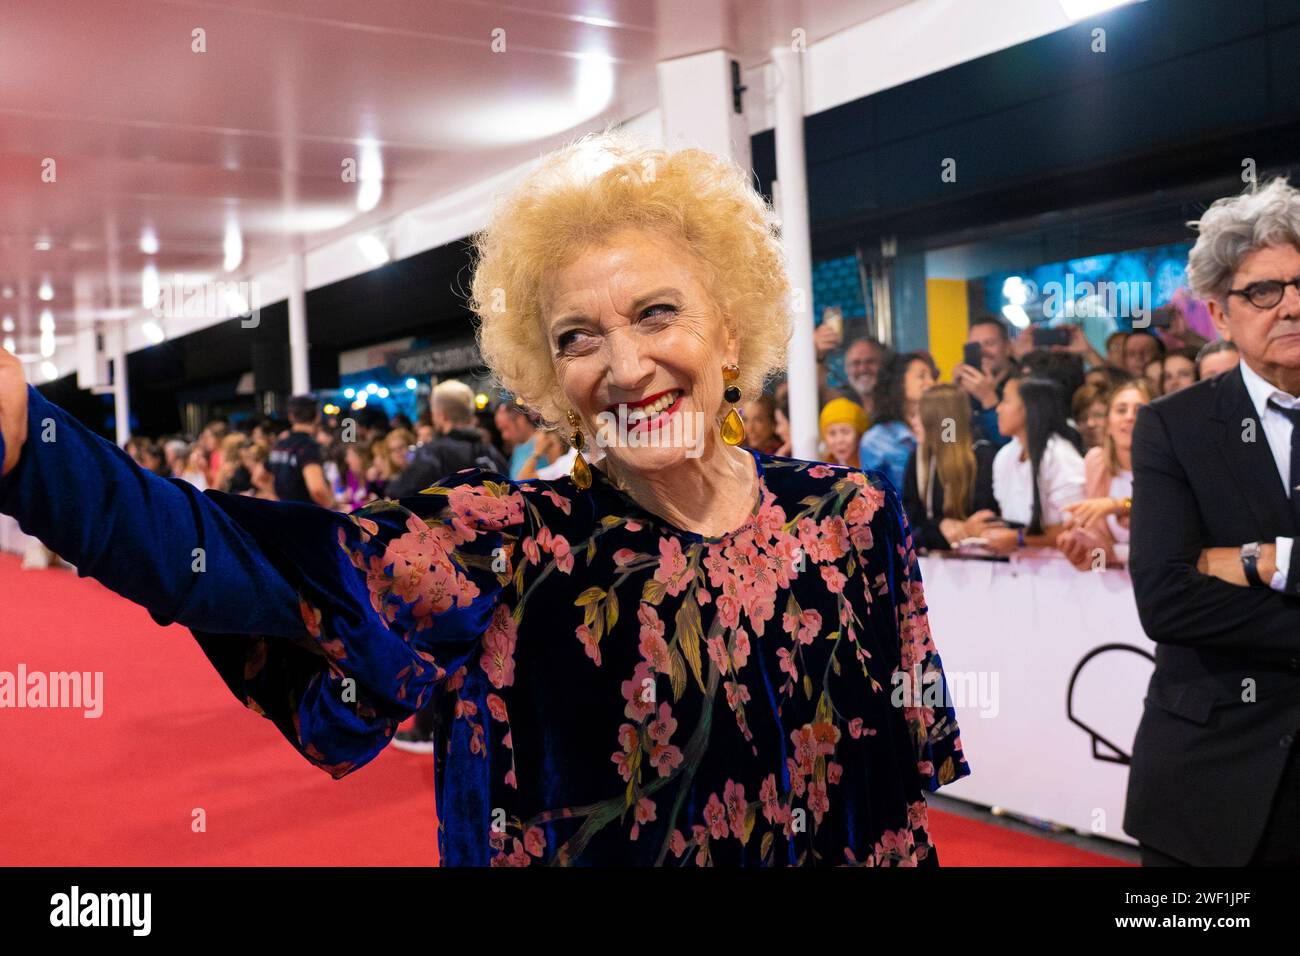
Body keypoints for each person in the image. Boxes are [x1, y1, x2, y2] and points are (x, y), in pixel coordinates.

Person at [0, 131, 967, 867]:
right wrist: (26, 445)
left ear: (729, 333)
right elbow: (216, 556)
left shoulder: (854, 517)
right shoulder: (508, 547)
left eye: (655, 313)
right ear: (547, 381)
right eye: (577, 338)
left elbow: (904, 801)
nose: (626, 368)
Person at [1126, 177, 1300, 867]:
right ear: (1219, 315)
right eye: (1264, 290)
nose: (1290, 305)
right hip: (1207, 784)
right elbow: (1166, 598)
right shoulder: (1172, 426)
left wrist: (1262, 561)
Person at [1055, 380, 1150, 570]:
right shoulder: (1096, 462)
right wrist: (1089, 557)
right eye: (1121, 410)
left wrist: (1117, 505)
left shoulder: (1170, 465)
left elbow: (1160, 509)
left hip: (1159, 582)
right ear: (1107, 424)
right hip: (1116, 587)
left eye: (1139, 410)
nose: (1130, 417)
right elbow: (1101, 554)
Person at [984, 376, 1085, 553]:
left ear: (1028, 408)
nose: (998, 409)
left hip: (1062, 571)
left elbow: (1076, 528)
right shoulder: (1005, 456)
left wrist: (1020, 538)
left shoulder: (1061, 456)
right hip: (1017, 570)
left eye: (1006, 401)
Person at [902, 384, 1000, 552]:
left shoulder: (984, 458)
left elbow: (987, 522)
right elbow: (909, 523)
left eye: (920, 414)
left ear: (941, 421)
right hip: (933, 565)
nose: (914, 421)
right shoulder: (917, 459)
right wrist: (941, 525)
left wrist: (965, 530)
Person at [385, 380, 510, 500]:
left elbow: (397, 492)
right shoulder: (491, 451)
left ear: (441, 415)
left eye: (433, 413)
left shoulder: (433, 454)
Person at [858, 351, 935, 491]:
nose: (931, 383)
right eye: (922, 376)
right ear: (899, 381)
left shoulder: (946, 424)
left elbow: (952, 459)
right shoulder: (875, 439)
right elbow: (873, 495)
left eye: (932, 376)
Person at [953, 316, 1014, 448]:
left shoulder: (1021, 387)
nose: (982, 351)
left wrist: (988, 399)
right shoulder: (965, 389)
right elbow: (947, 441)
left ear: (1008, 347)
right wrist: (954, 400)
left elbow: (1012, 446)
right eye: (975, 346)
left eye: (989, 343)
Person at [268, 396, 332, 507]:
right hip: (306, 517)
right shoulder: (308, 446)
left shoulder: (280, 444)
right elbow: (317, 489)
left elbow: (259, 476)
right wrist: (334, 508)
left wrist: (277, 499)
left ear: (291, 416)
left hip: (283, 514)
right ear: (317, 416)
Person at [495, 402, 548, 479]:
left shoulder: (545, 440)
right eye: (501, 430)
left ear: (520, 420)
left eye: (506, 428)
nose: (504, 436)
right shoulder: (517, 447)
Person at [817, 397, 869, 468]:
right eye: (832, 433)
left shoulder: (873, 469)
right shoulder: (822, 470)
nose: (839, 440)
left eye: (845, 432)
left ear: (859, 434)